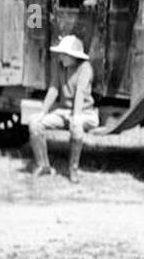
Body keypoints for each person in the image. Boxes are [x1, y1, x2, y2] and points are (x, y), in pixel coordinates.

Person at [27, 35, 98, 184]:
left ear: (74, 56)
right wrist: (43, 112)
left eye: (64, 54)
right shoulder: (59, 66)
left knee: (76, 127)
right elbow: (54, 89)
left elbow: (80, 92)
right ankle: (43, 166)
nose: (61, 57)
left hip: (85, 113)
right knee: (34, 123)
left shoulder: (85, 68)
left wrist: (77, 116)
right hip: (64, 112)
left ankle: (73, 169)